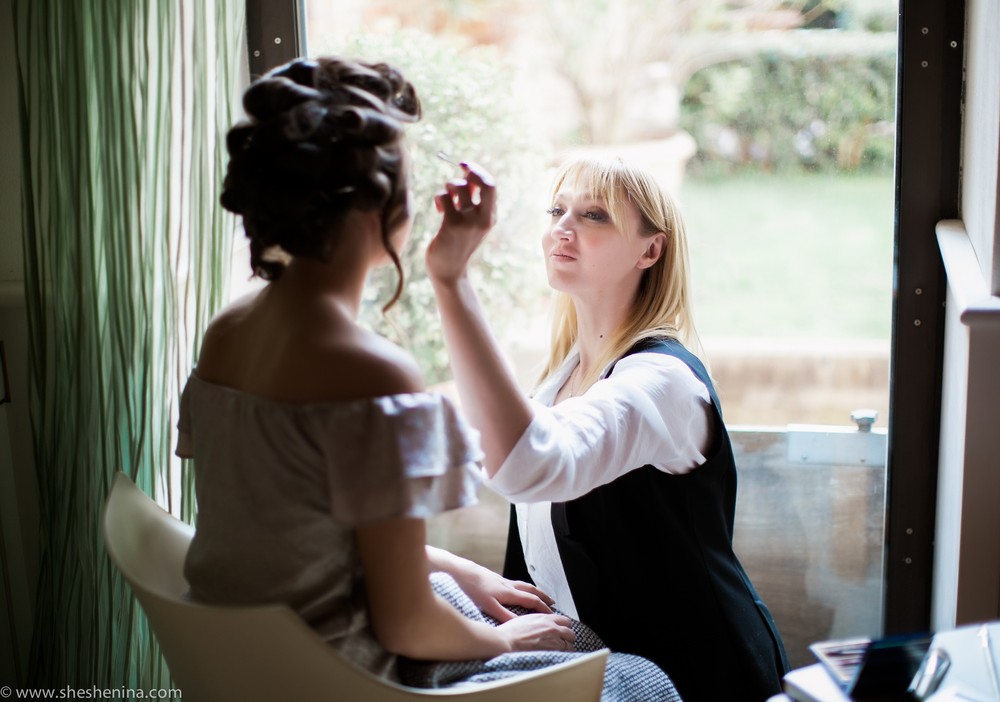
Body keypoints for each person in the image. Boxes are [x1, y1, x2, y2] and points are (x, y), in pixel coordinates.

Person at [174, 56, 680, 701]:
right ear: (385, 209)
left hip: (254, 664)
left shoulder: (229, 330)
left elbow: (293, 527)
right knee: (641, 678)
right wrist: (505, 643)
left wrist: (461, 572)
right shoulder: (371, 373)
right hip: (350, 678)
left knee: (467, 594)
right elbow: (409, 625)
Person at [427, 155, 791, 701]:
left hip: (698, 675)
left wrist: (451, 282)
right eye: (557, 210)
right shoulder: (556, 381)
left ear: (650, 250)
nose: (563, 228)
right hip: (594, 674)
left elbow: (530, 465)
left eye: (594, 215)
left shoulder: (663, 381)